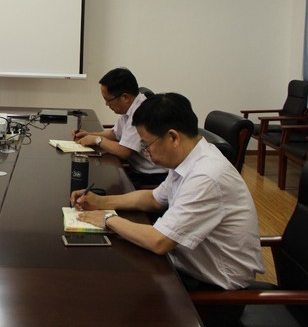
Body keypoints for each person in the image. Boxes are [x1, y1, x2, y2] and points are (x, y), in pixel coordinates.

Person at [71, 93, 263, 324]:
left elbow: (159, 241)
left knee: (112, 300)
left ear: (173, 137)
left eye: (147, 145)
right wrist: (102, 202)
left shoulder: (206, 176)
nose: (146, 153)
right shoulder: (189, 158)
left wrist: (106, 219)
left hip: (217, 293)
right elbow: (153, 199)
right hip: (188, 265)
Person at [71, 67, 168, 188]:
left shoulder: (141, 112)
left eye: (108, 100)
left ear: (125, 97)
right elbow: (115, 134)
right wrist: (89, 135)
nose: (107, 105)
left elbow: (124, 152)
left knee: (101, 185)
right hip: (137, 170)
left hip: (152, 177)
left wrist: (97, 140)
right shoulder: (130, 107)